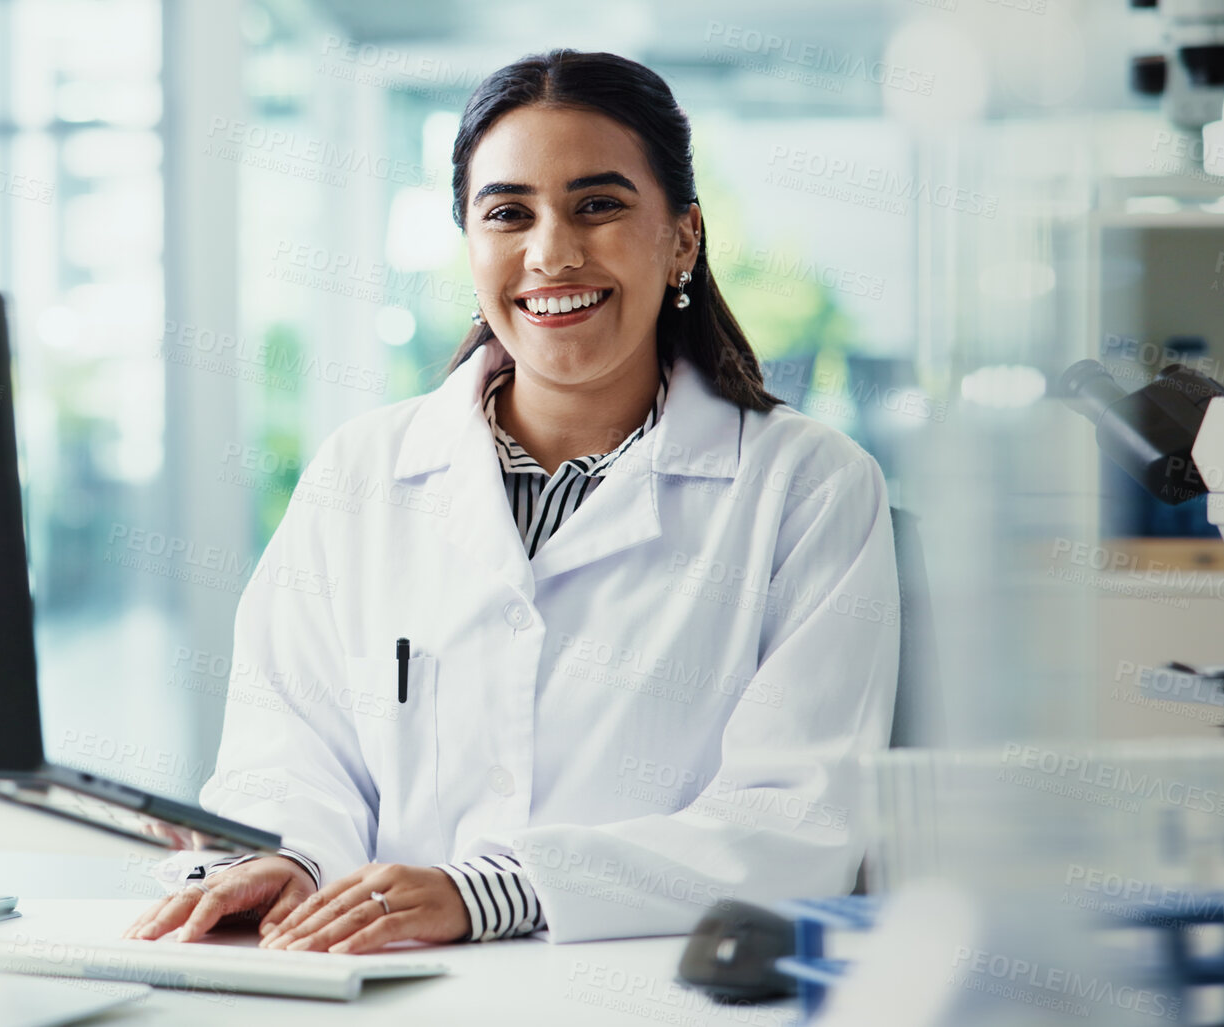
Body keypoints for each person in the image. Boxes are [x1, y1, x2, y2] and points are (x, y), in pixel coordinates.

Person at [123, 48, 900, 953]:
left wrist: (493, 890)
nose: (550, 253)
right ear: (469, 241)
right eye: (506, 213)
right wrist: (287, 861)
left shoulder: (806, 485)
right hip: (386, 992)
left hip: (656, 997)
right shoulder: (361, 473)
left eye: (598, 206)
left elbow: (797, 827)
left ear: (682, 235)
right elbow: (285, 752)